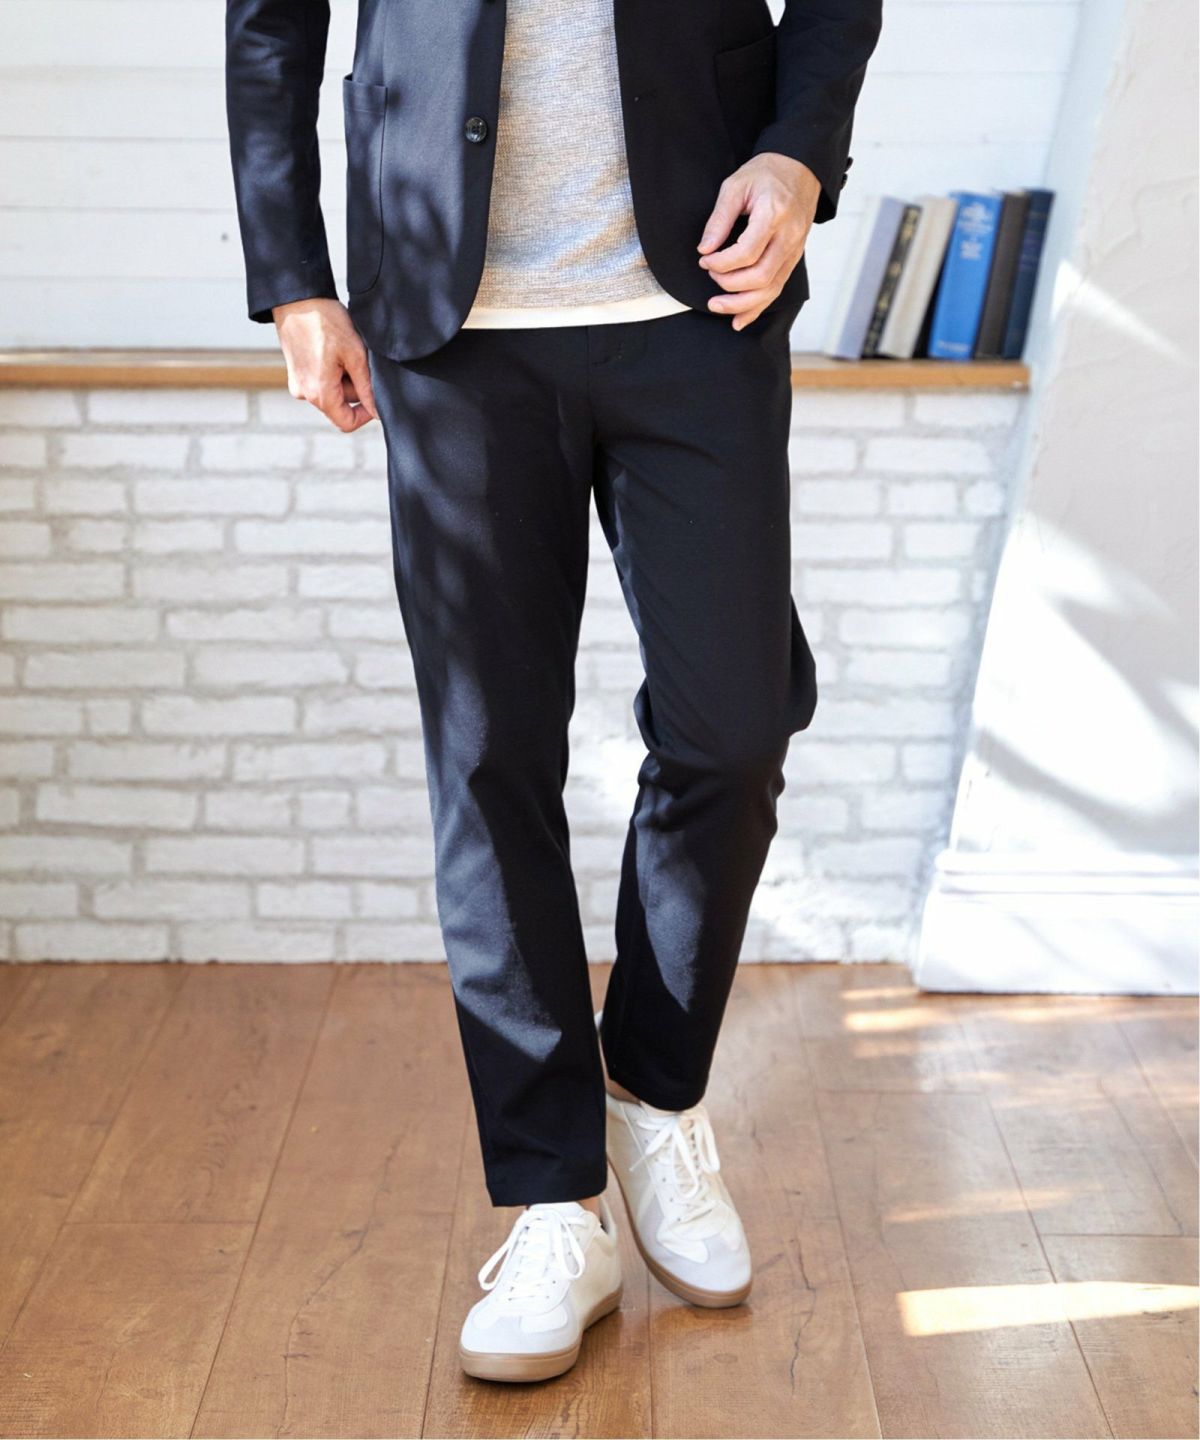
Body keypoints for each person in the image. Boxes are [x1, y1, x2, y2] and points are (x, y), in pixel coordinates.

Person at [226, 0, 881, 1385]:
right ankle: (552, 1203)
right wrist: (292, 275)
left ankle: (652, 1095)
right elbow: (270, 22)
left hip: (697, 296)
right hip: (448, 311)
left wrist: (799, 150)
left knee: (733, 729)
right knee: (490, 759)